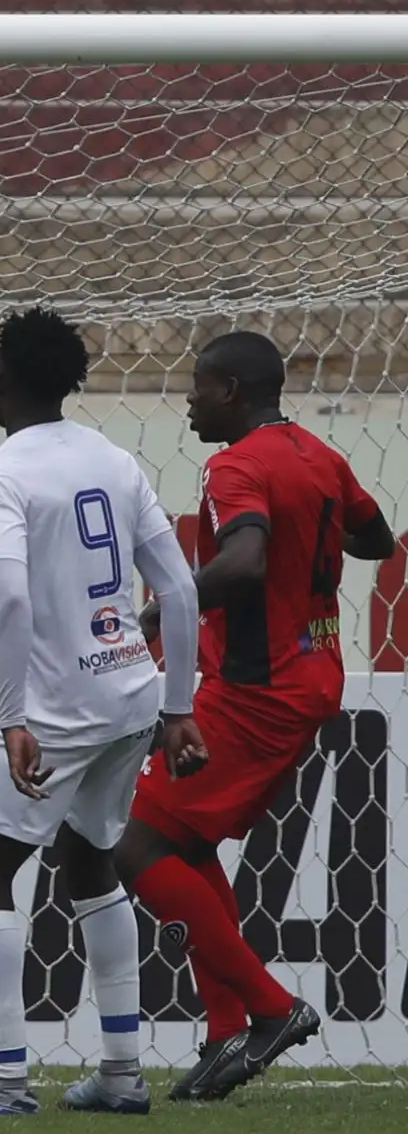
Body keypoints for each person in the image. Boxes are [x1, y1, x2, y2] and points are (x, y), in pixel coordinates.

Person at [0, 309, 203, 1119]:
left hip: (55, 709)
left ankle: (7, 1084)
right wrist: (178, 705)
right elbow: (179, 589)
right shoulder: (111, 458)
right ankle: (121, 1073)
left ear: (4, 379)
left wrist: (15, 716)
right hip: (130, 696)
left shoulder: (2, 474)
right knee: (90, 865)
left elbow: (7, 594)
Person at [117, 330, 397, 1102]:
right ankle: (223, 1029)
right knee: (186, 838)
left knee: (131, 843)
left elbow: (242, 562)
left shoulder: (234, 465)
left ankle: (272, 1011)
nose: (188, 400)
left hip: (256, 688)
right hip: (311, 670)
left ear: (231, 390)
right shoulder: (316, 454)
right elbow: (375, 538)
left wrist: (166, 609)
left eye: (199, 386)